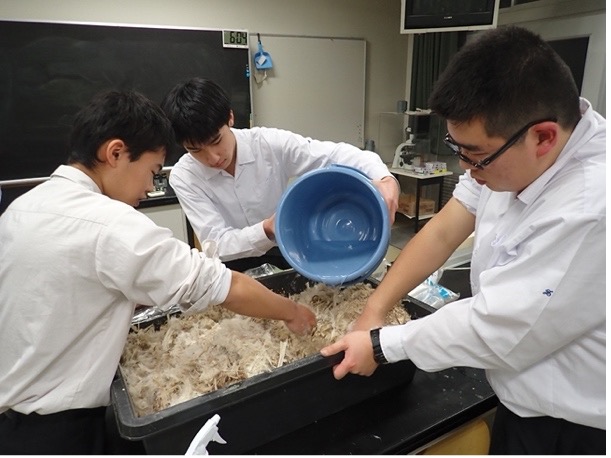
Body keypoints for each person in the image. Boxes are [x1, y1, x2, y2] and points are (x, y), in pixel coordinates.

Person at [321, 25, 605, 455]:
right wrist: (375, 310)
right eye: (460, 150)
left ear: (543, 137)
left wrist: (381, 346)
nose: (468, 168)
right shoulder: (509, 150)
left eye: (476, 156)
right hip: (519, 394)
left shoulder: (590, 205)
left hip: (571, 422)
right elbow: (444, 227)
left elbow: (499, 326)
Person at [0, 90, 316, 455]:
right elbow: (224, 286)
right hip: (56, 430)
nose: (151, 188)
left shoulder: (23, 207)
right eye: (151, 172)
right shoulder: (111, 225)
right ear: (115, 153)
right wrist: (293, 313)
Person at [160, 77, 400, 272]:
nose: (212, 158)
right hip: (230, 268)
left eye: (216, 141)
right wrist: (266, 228)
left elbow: (336, 154)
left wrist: (386, 179)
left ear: (230, 118)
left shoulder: (268, 143)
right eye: (196, 150)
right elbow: (217, 245)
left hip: (286, 251)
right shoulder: (184, 176)